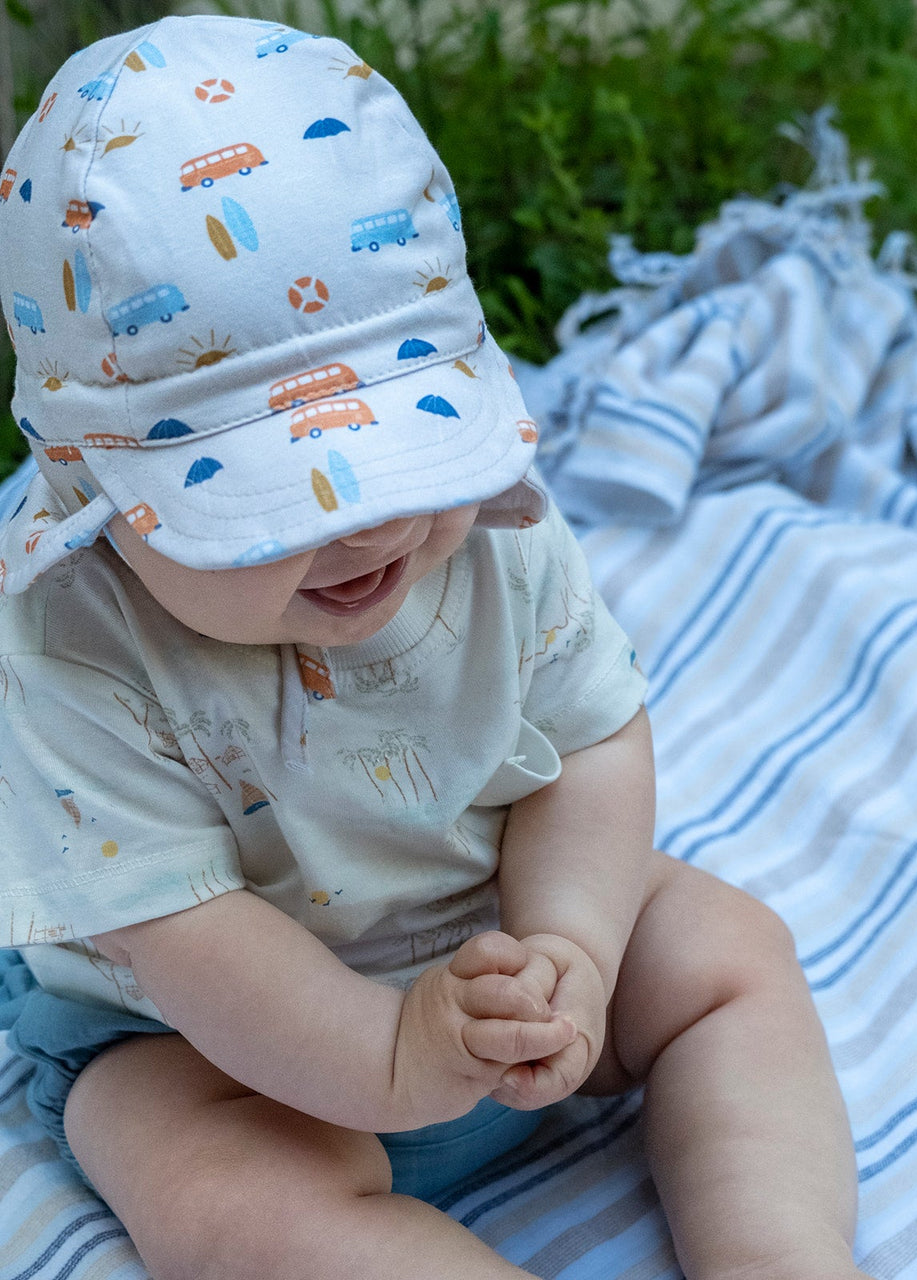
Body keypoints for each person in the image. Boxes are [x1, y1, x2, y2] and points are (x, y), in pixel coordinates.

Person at [0, 16, 872, 1279]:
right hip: (211, 1041)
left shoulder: (488, 525)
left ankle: (776, 1250)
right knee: (214, 1198)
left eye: (399, 455)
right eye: (271, 504)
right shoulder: (67, 641)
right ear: (97, 492)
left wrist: (570, 946)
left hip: (498, 929)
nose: (366, 530)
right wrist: (392, 1053)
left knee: (729, 953)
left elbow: (590, 737)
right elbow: (181, 933)